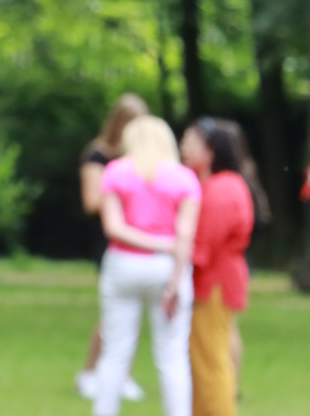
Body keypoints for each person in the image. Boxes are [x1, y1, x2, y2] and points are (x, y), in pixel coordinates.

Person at [92, 115, 201, 416]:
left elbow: (113, 227)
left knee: (115, 353)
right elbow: (185, 235)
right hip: (168, 267)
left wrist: (152, 243)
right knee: (172, 356)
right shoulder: (184, 178)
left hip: (123, 265)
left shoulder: (115, 172)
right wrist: (175, 280)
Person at [179, 117, 257, 416]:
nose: (183, 149)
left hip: (214, 284)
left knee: (210, 363)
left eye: (191, 143)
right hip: (214, 282)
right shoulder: (218, 185)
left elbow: (202, 249)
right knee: (202, 361)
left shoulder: (222, 189)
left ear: (212, 150)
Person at [76, 93, 149, 402]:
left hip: (141, 237)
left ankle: (121, 373)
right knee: (114, 313)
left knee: (136, 312)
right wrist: (122, 194)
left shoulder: (144, 156)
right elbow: (92, 201)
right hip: (112, 239)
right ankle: (91, 371)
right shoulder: (98, 155)